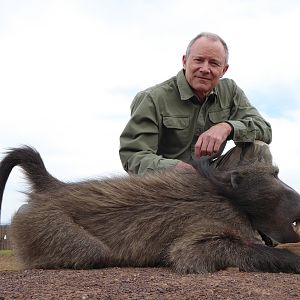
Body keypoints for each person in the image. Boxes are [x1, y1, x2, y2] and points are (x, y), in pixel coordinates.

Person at [119, 32, 272, 175]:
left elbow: (264, 129)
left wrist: (227, 127)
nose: (205, 69)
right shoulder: (152, 98)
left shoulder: (230, 91)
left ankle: (250, 204)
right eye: (198, 60)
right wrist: (177, 169)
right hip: (166, 181)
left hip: (210, 173)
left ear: (224, 70)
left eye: (214, 63)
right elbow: (133, 156)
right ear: (185, 62)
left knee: (258, 148)